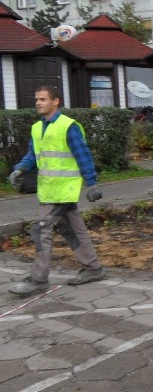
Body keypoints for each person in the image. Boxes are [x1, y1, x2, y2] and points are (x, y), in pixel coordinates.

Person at [6, 86, 106, 296]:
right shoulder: (37, 128)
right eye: (36, 99)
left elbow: (83, 155)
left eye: (43, 99)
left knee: (40, 230)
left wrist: (91, 183)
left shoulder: (68, 126)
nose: (38, 103)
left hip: (63, 191)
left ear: (56, 101)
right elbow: (33, 156)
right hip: (49, 190)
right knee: (72, 230)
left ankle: (38, 278)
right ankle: (93, 268)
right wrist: (19, 169)